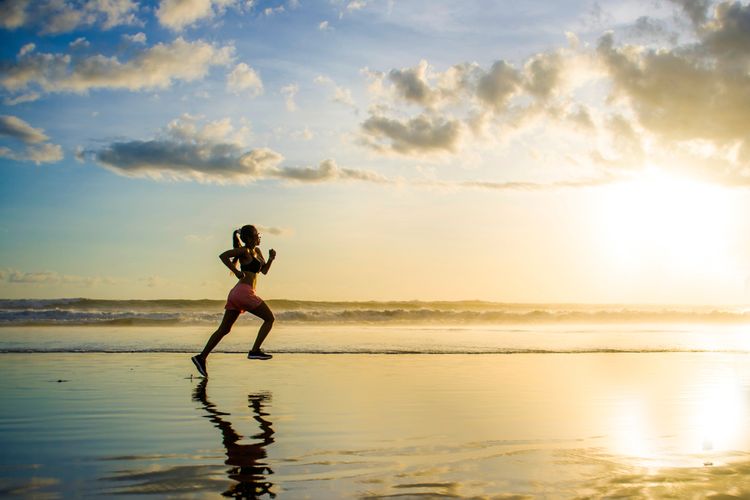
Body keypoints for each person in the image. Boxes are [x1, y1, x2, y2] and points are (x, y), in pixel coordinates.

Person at [192, 225, 276, 377]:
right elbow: (223, 256)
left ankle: (201, 357)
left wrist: (271, 258)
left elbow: (263, 271)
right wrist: (236, 271)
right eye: (257, 235)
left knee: (224, 329)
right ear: (250, 238)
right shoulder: (244, 251)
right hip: (244, 292)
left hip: (236, 294)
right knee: (269, 319)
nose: (259, 237)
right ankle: (255, 350)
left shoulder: (256, 252)